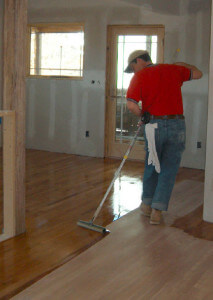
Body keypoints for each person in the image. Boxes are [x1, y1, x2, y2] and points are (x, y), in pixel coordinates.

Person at [125, 50, 203, 225]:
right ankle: (157, 212)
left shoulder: (140, 76)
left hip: (153, 126)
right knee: (168, 168)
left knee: (152, 163)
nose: (133, 71)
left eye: (133, 67)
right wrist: (182, 64)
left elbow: (131, 105)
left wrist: (142, 115)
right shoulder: (173, 70)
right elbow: (198, 73)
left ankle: (146, 205)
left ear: (139, 61)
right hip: (176, 125)